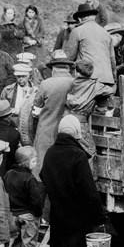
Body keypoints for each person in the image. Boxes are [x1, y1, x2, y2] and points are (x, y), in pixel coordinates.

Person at [40, 115, 106, 247]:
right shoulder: (78, 155)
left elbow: (43, 175)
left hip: (57, 218)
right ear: (76, 131)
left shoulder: (50, 152)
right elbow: (89, 191)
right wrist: (99, 218)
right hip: (77, 220)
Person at [4, 146, 46, 247]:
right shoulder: (30, 179)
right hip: (28, 215)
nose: (36, 164)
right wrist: (38, 214)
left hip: (12, 214)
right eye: (34, 161)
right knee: (29, 246)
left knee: (13, 246)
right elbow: (36, 201)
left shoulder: (8, 174)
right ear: (25, 162)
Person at [32, 50, 74, 179]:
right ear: (68, 68)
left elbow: (36, 107)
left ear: (54, 69)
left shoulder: (46, 84)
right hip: (68, 130)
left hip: (47, 129)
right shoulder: (75, 83)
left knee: (42, 161)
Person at [64, 60, 115, 157]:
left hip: (65, 119)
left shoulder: (72, 82)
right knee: (89, 150)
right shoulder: (94, 85)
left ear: (76, 72)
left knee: (68, 149)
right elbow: (110, 90)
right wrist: (98, 99)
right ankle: (85, 172)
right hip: (80, 122)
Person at [64, 3, 115, 87]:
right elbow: (112, 60)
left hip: (88, 79)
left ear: (80, 19)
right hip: (107, 80)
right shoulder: (106, 33)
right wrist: (113, 79)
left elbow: (69, 57)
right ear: (93, 17)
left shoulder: (77, 31)